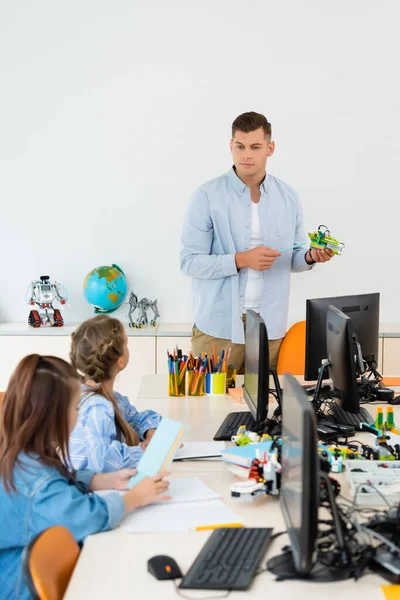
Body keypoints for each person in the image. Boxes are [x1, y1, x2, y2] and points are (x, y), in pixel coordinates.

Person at [0, 354, 170, 600]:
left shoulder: (19, 452)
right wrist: (133, 498)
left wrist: (96, 480)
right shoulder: (38, 489)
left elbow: (53, 474)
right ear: (55, 414)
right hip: (21, 589)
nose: (79, 415)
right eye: (76, 407)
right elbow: (85, 516)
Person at [180, 111, 333, 372]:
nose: (246, 155)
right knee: (209, 410)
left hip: (269, 328)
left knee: (267, 410)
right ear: (231, 146)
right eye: (239, 146)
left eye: (255, 147)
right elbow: (189, 263)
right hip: (218, 329)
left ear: (270, 149)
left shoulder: (288, 198)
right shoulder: (206, 196)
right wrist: (241, 260)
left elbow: (294, 256)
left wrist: (310, 257)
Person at [69, 314, 161, 473]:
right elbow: (102, 461)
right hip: (95, 492)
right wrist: (144, 452)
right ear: (120, 361)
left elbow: (136, 419)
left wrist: (151, 434)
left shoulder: (111, 398)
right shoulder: (96, 407)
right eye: (126, 343)